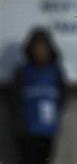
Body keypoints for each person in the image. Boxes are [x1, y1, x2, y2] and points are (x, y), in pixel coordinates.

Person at [12, 28, 67, 164]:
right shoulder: (23, 72)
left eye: (43, 48)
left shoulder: (55, 72)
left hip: (47, 131)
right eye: (37, 48)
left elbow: (62, 96)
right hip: (27, 131)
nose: (40, 52)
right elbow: (14, 100)